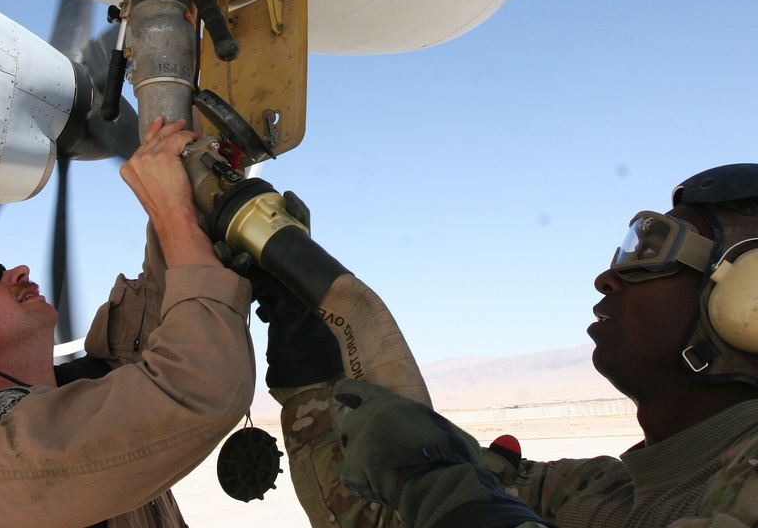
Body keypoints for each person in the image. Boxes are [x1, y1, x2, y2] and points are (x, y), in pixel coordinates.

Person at [323, 163, 758, 527]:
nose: (607, 279)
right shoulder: (604, 492)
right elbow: (383, 492)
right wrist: (303, 344)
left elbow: (449, 490)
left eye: (650, 254)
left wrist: (431, 481)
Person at [0, 117, 256, 527]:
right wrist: (171, 211)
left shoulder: (89, 395)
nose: (18, 270)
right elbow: (200, 381)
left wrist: (192, 170)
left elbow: (169, 307)